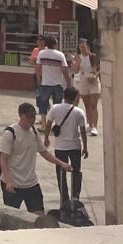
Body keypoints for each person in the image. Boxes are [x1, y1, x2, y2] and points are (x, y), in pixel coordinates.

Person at [0, 102, 71, 214]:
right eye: (29, 116)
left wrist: (61, 163)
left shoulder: (34, 131)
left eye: (33, 116)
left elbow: (44, 152)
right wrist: (8, 181)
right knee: (11, 218)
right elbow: (3, 159)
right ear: (22, 116)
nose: (32, 119)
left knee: (39, 215)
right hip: (13, 183)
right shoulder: (10, 133)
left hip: (31, 183)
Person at [48, 84, 89, 219]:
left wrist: (46, 138)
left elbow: (48, 124)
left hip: (60, 146)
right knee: (76, 171)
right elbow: (82, 131)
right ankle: (75, 196)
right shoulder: (78, 112)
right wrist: (85, 147)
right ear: (75, 98)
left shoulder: (55, 108)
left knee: (60, 173)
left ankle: (64, 197)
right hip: (74, 146)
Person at [34, 34, 70, 124]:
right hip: (58, 83)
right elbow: (64, 70)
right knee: (57, 105)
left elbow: (38, 68)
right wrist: (68, 82)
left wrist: (39, 80)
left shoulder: (41, 54)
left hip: (45, 82)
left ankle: (44, 124)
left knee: (43, 104)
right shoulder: (60, 55)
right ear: (55, 44)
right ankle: (56, 123)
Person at [74, 39, 101, 135]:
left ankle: (95, 127)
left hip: (93, 80)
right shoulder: (78, 57)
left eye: (84, 47)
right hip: (83, 80)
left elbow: (98, 69)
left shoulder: (93, 56)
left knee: (94, 105)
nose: (82, 49)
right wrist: (77, 61)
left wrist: (95, 76)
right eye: (80, 47)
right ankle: (89, 124)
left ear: (88, 47)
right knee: (87, 105)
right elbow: (76, 71)